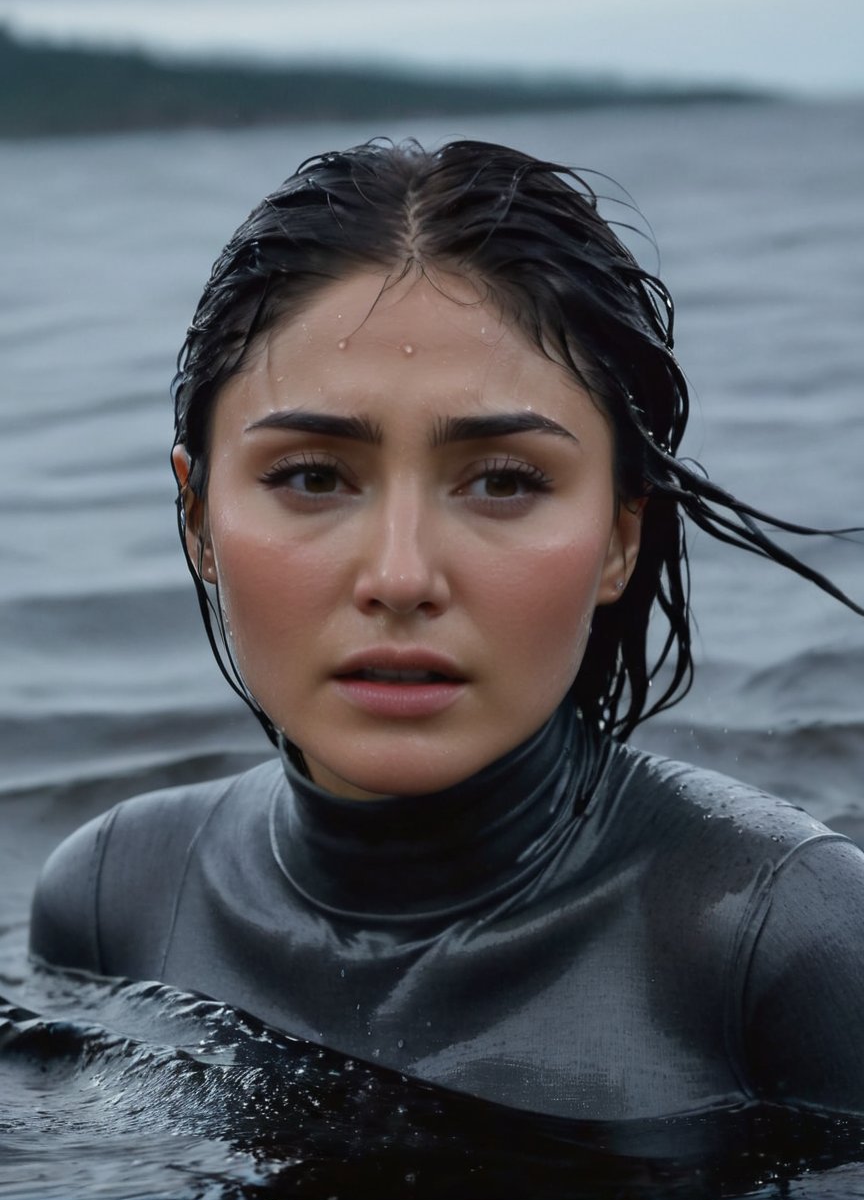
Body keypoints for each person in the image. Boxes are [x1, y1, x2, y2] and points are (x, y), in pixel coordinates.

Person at [29, 139, 864, 1122]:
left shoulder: (788, 940)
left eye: (504, 480)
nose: (399, 576)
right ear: (198, 518)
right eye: (311, 476)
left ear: (618, 537)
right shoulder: (108, 898)